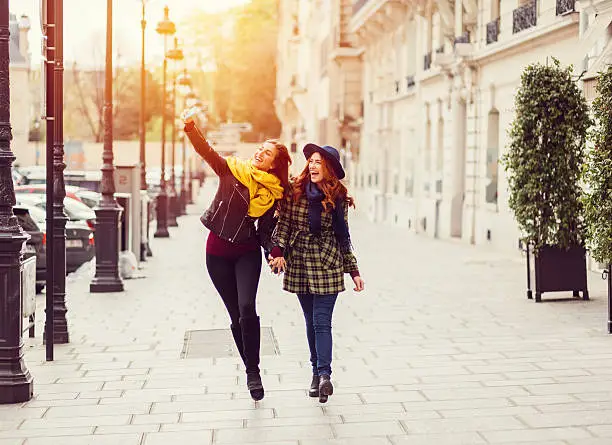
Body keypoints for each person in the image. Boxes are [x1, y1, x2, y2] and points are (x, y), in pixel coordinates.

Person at [183, 110, 291, 401]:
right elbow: (206, 151)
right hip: (216, 253)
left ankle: (252, 371)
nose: (260, 154)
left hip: (246, 252)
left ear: (274, 164)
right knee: (234, 314)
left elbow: (266, 230)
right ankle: (251, 369)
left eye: (266, 153)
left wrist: (275, 251)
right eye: (260, 149)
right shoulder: (230, 169)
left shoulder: (273, 193)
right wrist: (190, 127)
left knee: (247, 307)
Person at [269, 143, 365, 403]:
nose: (312, 165)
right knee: (311, 321)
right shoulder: (295, 192)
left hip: (328, 263)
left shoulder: (339, 198)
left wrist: (353, 269)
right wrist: (277, 250)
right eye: (311, 160)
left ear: (330, 168)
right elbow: (285, 224)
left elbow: (343, 235)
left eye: (318, 162)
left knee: (322, 321)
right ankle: (315, 374)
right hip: (300, 263)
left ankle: (324, 375)